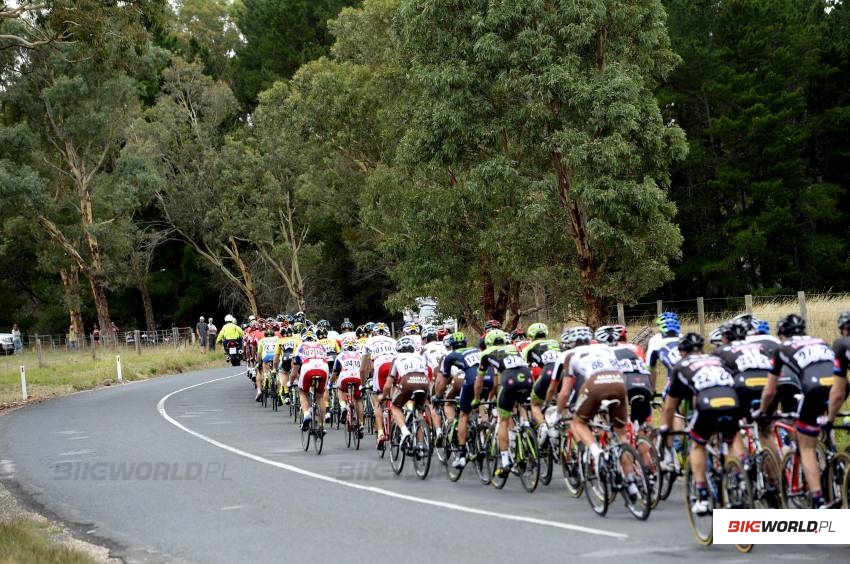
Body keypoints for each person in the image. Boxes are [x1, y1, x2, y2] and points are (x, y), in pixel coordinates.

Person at [759, 314, 836, 509]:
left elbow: (769, 390)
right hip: (836, 387)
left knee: (806, 446)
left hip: (812, 389)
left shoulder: (782, 348)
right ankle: (834, 459)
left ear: (782, 334)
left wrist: (762, 410)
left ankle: (818, 499)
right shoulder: (821, 342)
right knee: (825, 424)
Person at [660, 333, 738, 515]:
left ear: (682, 352)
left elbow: (670, 407)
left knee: (697, 445)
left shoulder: (681, 366)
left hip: (708, 404)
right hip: (733, 400)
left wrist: (665, 429)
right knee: (731, 439)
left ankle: (702, 496)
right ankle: (739, 476)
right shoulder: (716, 359)